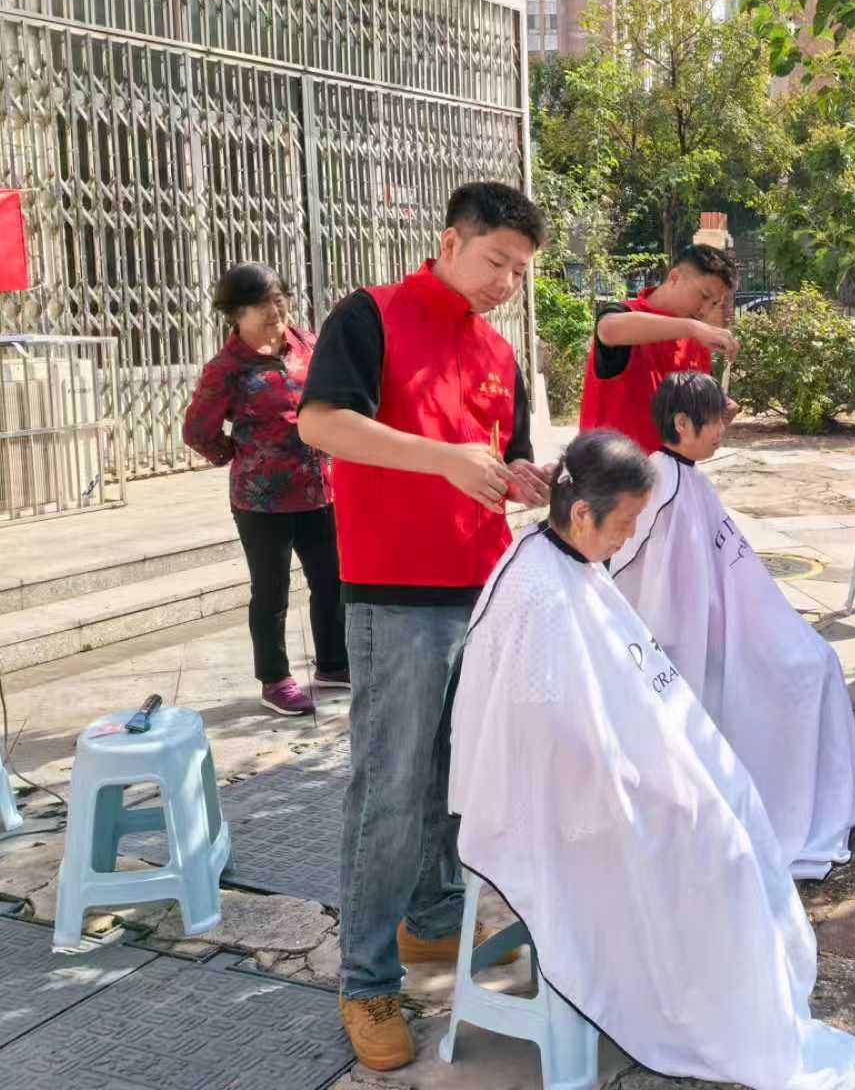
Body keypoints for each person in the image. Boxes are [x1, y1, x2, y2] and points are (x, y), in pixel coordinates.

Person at [450, 430, 855, 1090]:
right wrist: (644, 782)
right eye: (625, 523)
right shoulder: (537, 590)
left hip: (604, 765)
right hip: (556, 802)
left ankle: (733, 997)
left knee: (738, 808)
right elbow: (549, 739)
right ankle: (704, 1010)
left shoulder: (572, 563)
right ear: (582, 513)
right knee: (719, 853)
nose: (631, 538)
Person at [297, 182, 555, 1072]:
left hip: (480, 586)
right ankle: (365, 980)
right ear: (450, 242)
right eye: (496, 261)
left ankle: (433, 918)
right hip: (396, 593)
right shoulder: (370, 316)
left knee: (457, 774)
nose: (506, 283)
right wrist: (441, 459)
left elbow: (505, 452)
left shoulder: (496, 351)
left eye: (519, 271)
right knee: (392, 787)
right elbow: (322, 423)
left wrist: (521, 477)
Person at [610, 372, 855, 877]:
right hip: (701, 642)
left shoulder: (685, 477)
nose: (722, 430)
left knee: (819, 662)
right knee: (805, 672)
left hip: (732, 625)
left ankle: (821, 798)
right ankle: (784, 807)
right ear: (683, 422)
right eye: (714, 420)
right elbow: (667, 595)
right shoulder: (662, 488)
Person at [183, 263, 345, 717]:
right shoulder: (226, 370)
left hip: (320, 488)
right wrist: (235, 454)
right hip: (263, 500)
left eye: (279, 299)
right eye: (261, 304)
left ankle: (334, 664)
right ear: (236, 313)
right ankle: (275, 680)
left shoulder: (306, 344)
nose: (275, 311)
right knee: (272, 592)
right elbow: (197, 430)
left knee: (331, 580)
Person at [580, 244, 739, 454]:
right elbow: (608, 330)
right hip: (609, 469)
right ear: (674, 277)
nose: (705, 310)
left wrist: (716, 410)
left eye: (714, 303)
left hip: (667, 471)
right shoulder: (626, 314)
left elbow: (689, 417)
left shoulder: (697, 341)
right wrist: (692, 328)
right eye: (703, 295)